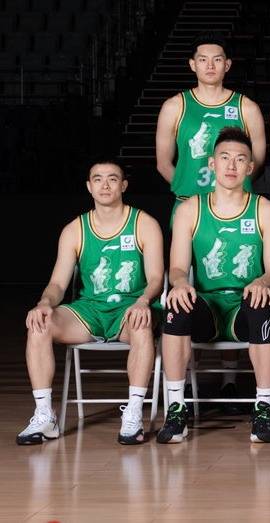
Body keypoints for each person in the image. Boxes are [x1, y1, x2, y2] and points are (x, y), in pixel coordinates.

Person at [19, 160, 164, 445]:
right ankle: (45, 416)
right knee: (40, 324)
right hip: (89, 310)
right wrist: (45, 302)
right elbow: (58, 283)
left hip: (130, 309)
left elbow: (157, 277)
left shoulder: (144, 224)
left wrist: (144, 300)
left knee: (142, 324)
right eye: (98, 179)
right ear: (89, 186)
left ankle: (133, 413)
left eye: (112, 179)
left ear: (124, 185)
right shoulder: (75, 229)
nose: (105, 185)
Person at [155, 128, 270, 444]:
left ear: (250, 167)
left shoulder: (265, 209)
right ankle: (176, 409)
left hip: (245, 306)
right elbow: (177, 267)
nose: (231, 165)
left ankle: (263, 407)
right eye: (225, 158)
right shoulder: (190, 210)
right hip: (207, 308)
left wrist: (262, 281)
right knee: (176, 304)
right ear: (212, 164)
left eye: (240, 159)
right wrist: (180, 283)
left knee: (262, 302)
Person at [156, 34, 266, 220]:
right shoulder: (174, 106)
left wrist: (231, 190)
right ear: (193, 64)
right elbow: (163, 164)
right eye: (203, 60)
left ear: (227, 65)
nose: (210, 66)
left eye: (217, 60)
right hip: (189, 203)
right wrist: (186, 187)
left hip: (236, 205)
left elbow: (258, 163)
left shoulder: (247, 108)